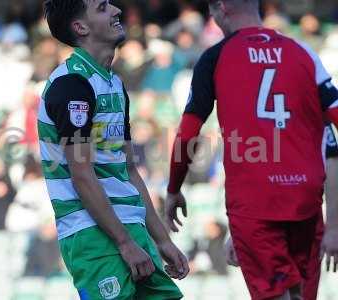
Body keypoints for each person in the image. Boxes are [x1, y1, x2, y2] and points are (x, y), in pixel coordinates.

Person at [165, 0, 338, 299]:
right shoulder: (303, 53)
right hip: (305, 199)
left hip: (254, 203)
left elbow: (188, 132)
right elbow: (334, 125)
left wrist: (173, 187)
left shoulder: (214, 57)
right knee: (298, 294)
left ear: (221, 8)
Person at [39, 1, 188, 299]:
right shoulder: (72, 84)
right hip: (92, 235)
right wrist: (124, 243)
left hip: (130, 228)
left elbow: (128, 169)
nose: (117, 10)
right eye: (103, 7)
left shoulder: (114, 84)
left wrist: (161, 240)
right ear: (80, 27)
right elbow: (81, 175)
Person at [225, 123, 338, 300]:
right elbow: (249, 172)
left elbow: (331, 159)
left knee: (299, 295)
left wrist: (333, 228)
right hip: (261, 224)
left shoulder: (312, 99)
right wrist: (238, 230)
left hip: (304, 223)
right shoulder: (253, 115)